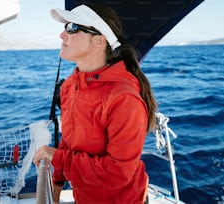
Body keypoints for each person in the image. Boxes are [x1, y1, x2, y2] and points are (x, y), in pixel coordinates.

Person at [33, 3, 157, 204]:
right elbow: (69, 140)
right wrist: (57, 182)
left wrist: (58, 158)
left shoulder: (123, 98)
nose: (62, 35)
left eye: (72, 28)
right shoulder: (70, 86)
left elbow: (118, 174)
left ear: (99, 41)